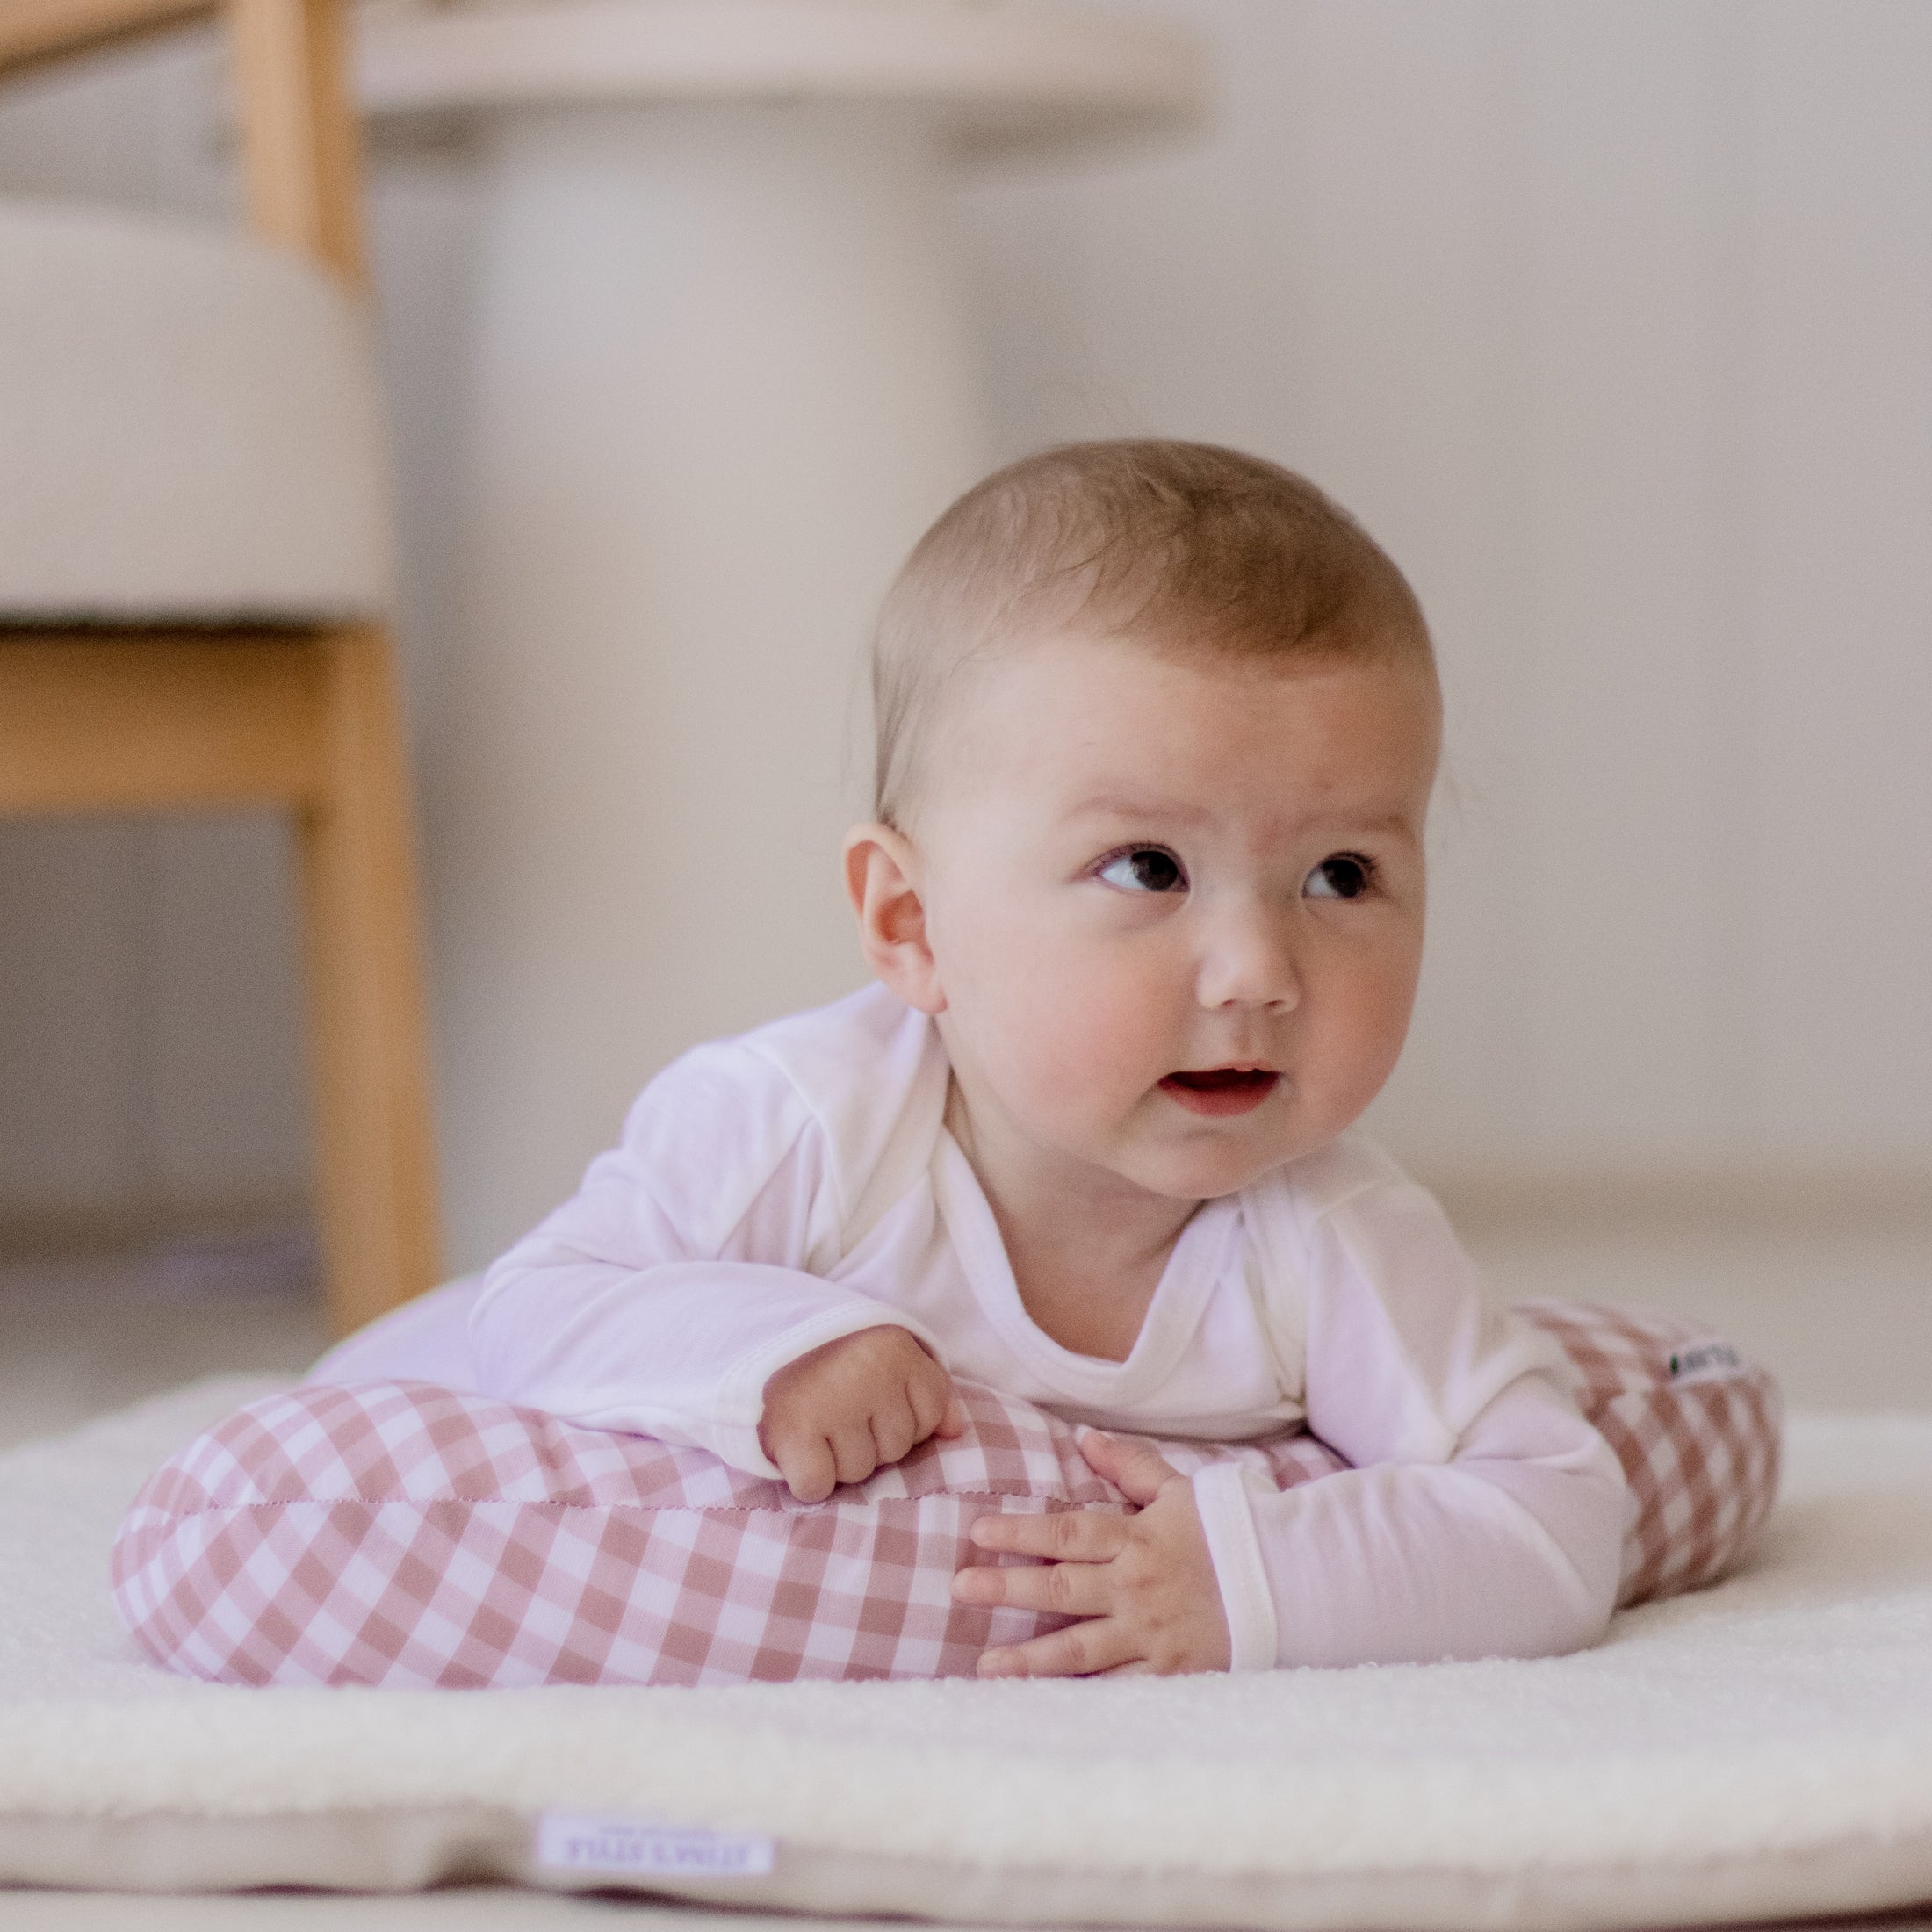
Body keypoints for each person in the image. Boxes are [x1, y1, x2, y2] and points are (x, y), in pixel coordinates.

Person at [318, 440, 1630, 1678]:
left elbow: (1560, 1515)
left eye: (1341, 874)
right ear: (910, 924)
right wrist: (777, 1348)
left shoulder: (1335, 1236)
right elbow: (542, 1304)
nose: (1259, 972)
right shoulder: (801, 1125)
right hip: (399, 1400)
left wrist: (1252, 1579)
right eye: (1149, 869)